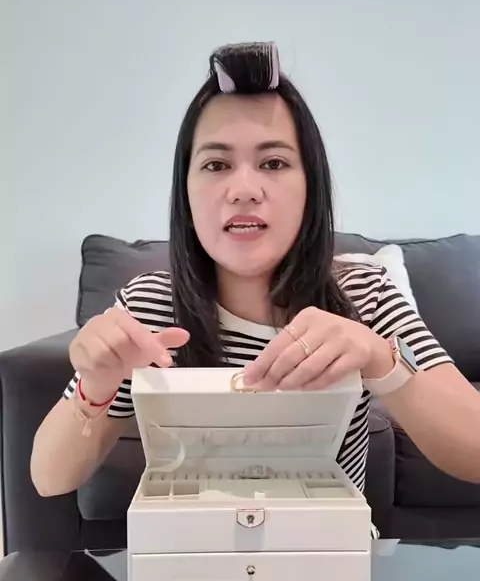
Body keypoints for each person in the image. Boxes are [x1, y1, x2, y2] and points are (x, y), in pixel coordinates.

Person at [30, 41, 480, 499]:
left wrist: (379, 358)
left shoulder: (365, 292)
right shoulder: (149, 307)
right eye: (216, 164)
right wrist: (97, 384)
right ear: (186, 194)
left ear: (311, 189)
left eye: (273, 163)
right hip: (188, 540)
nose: (244, 189)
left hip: (326, 541)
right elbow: (49, 479)